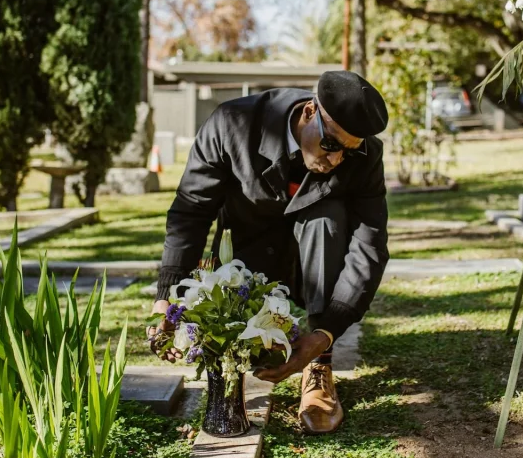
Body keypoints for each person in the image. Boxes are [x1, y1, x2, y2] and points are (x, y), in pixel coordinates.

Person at [147, 70, 390, 434]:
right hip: (248, 256)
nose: (337, 159)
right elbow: (191, 211)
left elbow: (369, 245)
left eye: (348, 150)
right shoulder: (232, 124)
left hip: (318, 260)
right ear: (310, 112)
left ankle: (319, 369)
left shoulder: (364, 156)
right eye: (330, 144)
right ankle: (233, 359)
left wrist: (324, 335)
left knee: (327, 218)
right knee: (248, 352)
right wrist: (167, 297)